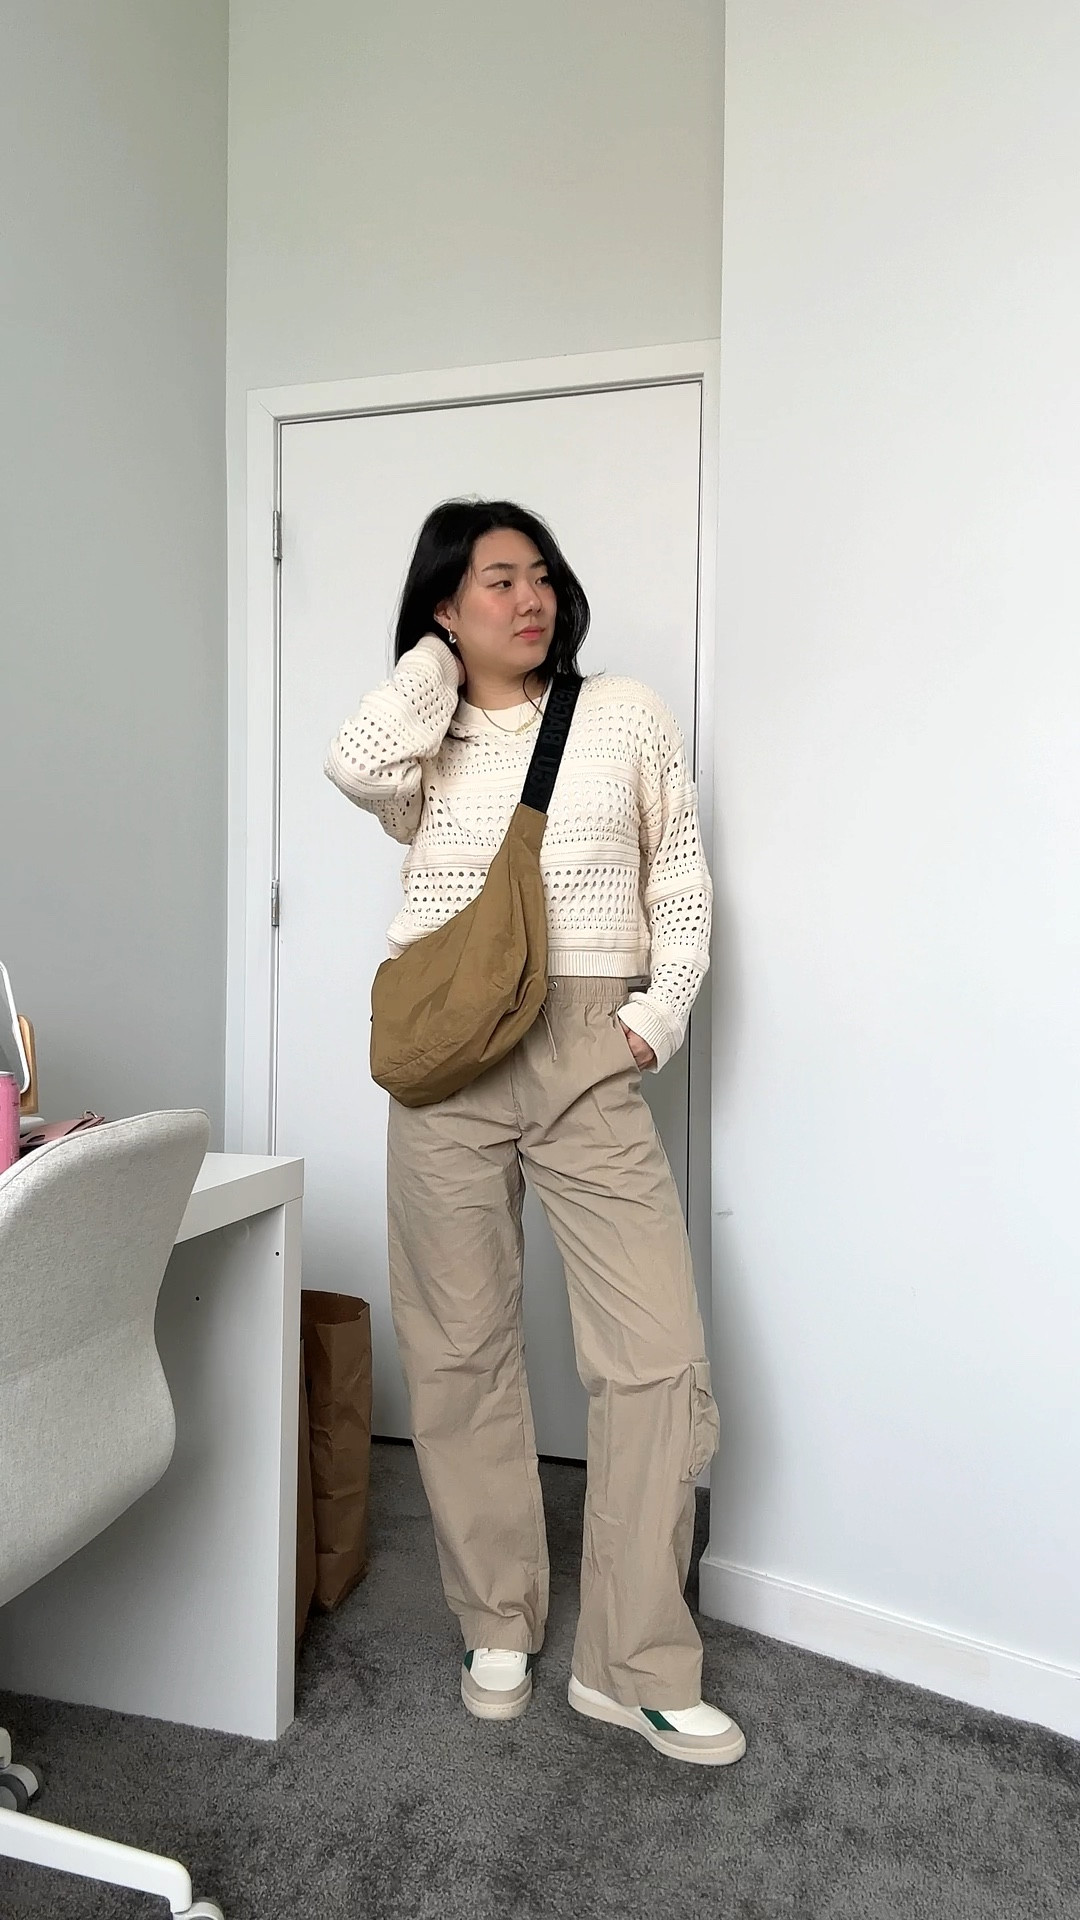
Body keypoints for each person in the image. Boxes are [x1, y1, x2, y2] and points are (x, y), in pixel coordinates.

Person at [325, 499, 745, 1767]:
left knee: (655, 1354)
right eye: (496, 580)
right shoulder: (427, 733)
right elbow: (355, 762)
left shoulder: (622, 713)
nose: (531, 597)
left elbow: (680, 872)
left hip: (583, 1040)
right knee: (459, 1347)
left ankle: (634, 1660)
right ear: (446, 605)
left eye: (542, 575)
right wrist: (435, 658)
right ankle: (496, 1616)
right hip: (449, 1052)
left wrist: (656, 1016)